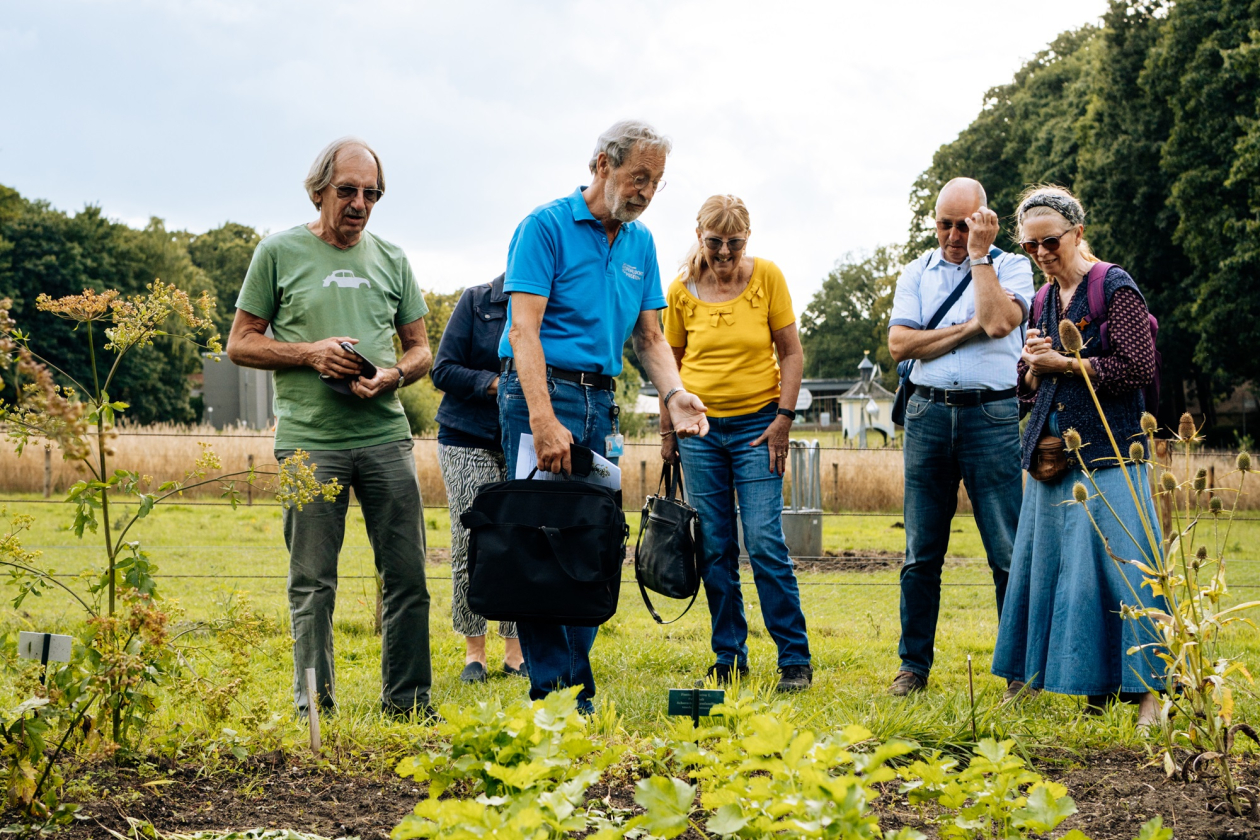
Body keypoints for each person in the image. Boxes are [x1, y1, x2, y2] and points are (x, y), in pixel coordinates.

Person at [499, 120, 709, 714]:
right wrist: (541, 418)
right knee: (540, 543)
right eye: (637, 176)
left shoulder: (640, 242)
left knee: (592, 544)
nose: (644, 191)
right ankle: (560, 694)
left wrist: (674, 394)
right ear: (601, 165)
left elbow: (649, 338)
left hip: (601, 400)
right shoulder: (545, 228)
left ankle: (569, 684)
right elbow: (524, 330)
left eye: (656, 182)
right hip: (541, 393)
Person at [228, 137, 435, 719]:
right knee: (313, 583)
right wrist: (312, 354)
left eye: (372, 194)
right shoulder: (278, 252)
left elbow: (421, 350)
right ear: (318, 190)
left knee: (408, 576)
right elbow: (240, 343)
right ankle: (314, 707)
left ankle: (409, 704)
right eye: (348, 191)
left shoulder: (392, 259)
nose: (360, 204)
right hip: (308, 442)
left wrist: (393, 375)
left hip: (385, 437)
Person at [991, 185, 1163, 723]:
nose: (1041, 253)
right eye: (1030, 246)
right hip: (1051, 456)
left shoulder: (1115, 286)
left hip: (1112, 453)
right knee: (1049, 572)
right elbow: (1030, 389)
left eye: (1050, 241)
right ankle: (1050, 682)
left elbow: (1138, 369)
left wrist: (1064, 365)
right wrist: (1030, 366)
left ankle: (1151, 696)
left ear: (1078, 233)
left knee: (1127, 574)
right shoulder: (1042, 300)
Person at [660, 195, 813, 693]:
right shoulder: (680, 291)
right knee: (715, 545)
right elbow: (670, 366)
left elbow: (790, 354)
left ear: (748, 239)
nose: (724, 253)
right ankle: (729, 655)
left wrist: (784, 419)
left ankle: (794, 658)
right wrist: (668, 434)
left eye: (735, 243)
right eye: (714, 242)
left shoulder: (767, 277)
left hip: (759, 426)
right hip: (700, 434)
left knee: (766, 542)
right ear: (699, 235)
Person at [886, 177, 1033, 696]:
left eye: (964, 225)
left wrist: (978, 256)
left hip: (990, 417)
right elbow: (900, 344)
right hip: (928, 415)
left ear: (984, 221)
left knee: (1007, 550)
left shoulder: (1012, 266)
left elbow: (996, 323)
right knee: (921, 552)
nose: (952, 234)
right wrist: (963, 329)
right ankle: (913, 668)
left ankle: (1019, 671)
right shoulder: (916, 272)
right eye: (945, 224)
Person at [430, 273, 527, 684]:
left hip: (525, 438)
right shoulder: (476, 302)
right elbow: (443, 370)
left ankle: (516, 651)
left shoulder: (552, 303)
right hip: (467, 436)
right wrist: (493, 384)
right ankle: (475, 652)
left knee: (523, 539)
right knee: (470, 539)